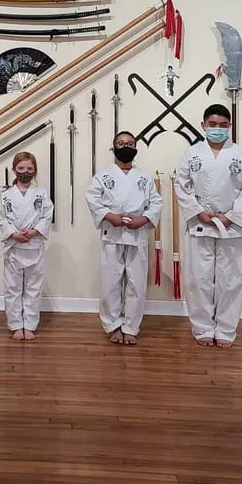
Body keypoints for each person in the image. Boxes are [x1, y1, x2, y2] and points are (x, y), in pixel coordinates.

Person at [174, 103, 242, 348]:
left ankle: (225, 329)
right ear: (203, 125)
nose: (218, 129)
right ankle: (202, 327)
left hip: (231, 225)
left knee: (231, 280)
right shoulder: (192, 153)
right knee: (198, 278)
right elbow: (182, 186)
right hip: (199, 223)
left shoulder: (241, 154)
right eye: (213, 125)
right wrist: (198, 211)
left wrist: (231, 216)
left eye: (223, 125)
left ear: (230, 126)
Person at [85, 131, 163, 345]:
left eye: (130, 143)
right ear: (113, 148)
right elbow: (92, 198)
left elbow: (156, 202)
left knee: (136, 284)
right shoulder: (103, 175)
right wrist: (109, 216)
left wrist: (145, 219)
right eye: (120, 143)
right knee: (111, 283)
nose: (125, 146)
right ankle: (113, 325)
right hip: (113, 233)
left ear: (136, 147)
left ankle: (131, 327)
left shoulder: (144, 177)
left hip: (137, 234)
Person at [0, 151, 54, 340]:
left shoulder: (41, 193)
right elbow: (1, 217)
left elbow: (47, 215)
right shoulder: (6, 195)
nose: (25, 172)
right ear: (14, 170)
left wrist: (35, 231)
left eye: (29, 168)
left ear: (35, 170)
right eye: (21, 168)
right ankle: (15, 324)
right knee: (12, 287)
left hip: (34, 245)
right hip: (14, 246)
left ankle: (29, 324)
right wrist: (13, 233)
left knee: (33, 287)